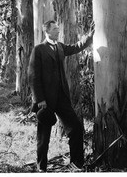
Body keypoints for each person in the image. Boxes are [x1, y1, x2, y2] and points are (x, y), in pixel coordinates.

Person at [28, 20, 94, 172]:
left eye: (58, 28)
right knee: (44, 137)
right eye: (55, 29)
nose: (58, 31)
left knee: (76, 128)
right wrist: (40, 100)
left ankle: (76, 164)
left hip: (62, 97)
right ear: (47, 31)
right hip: (46, 100)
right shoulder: (39, 49)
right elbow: (33, 76)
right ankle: (41, 168)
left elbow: (76, 47)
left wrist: (90, 37)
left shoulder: (60, 47)